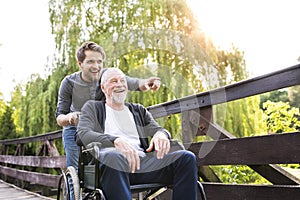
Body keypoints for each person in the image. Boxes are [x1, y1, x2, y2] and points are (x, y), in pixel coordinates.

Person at [76, 68, 199, 200]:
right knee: (114, 156)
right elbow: (82, 134)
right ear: (103, 87)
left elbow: (158, 129)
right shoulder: (93, 108)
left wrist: (161, 134)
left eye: (122, 81)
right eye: (114, 81)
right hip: (111, 166)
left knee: (186, 158)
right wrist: (115, 141)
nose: (120, 84)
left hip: (143, 164)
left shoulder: (138, 110)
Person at [55, 41, 161, 170]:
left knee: (105, 162)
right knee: (75, 170)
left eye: (99, 62)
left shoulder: (107, 77)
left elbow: (133, 83)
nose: (96, 66)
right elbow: (59, 118)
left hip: (99, 127)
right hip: (74, 129)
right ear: (80, 64)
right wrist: (70, 117)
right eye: (90, 62)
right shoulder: (68, 83)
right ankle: (74, 189)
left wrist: (149, 83)